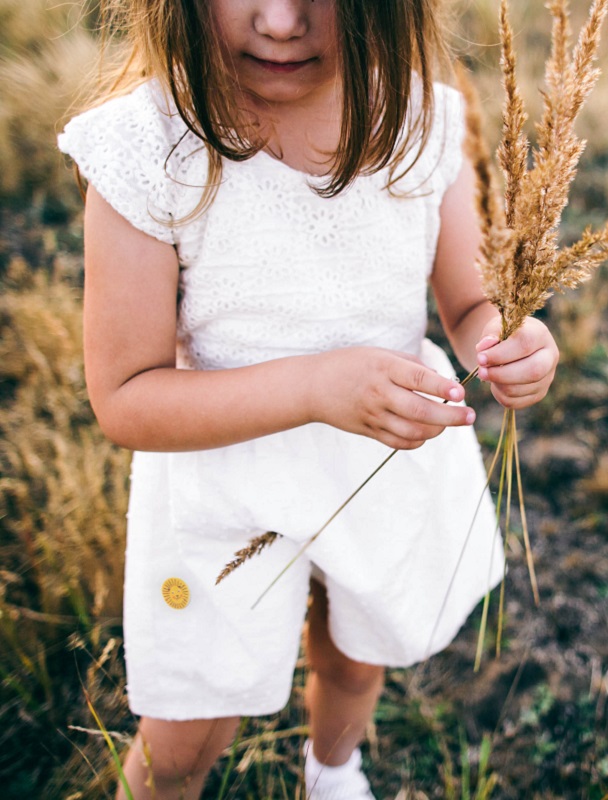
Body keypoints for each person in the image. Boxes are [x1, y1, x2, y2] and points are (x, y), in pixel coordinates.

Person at [59, 1, 559, 797]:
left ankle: (332, 768)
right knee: (183, 737)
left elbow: (470, 306)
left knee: (356, 654)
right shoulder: (147, 146)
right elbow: (126, 397)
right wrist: (313, 387)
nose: (282, 21)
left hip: (380, 461)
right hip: (221, 484)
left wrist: (507, 340)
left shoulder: (421, 120)